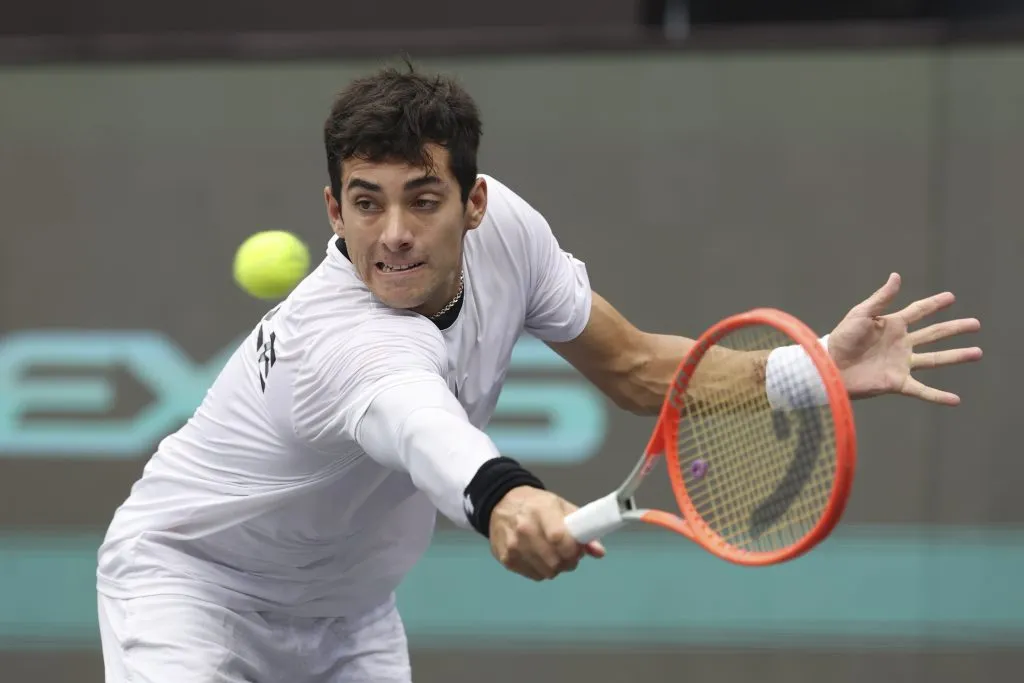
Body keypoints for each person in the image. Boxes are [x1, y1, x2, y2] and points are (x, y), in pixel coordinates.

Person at [95, 63, 982, 683]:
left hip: (346, 614)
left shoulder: (511, 234)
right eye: (366, 203)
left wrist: (813, 368)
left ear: (475, 203)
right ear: (334, 208)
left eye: (423, 199)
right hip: (193, 584)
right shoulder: (345, 339)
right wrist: (511, 501)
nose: (394, 232)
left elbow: (635, 368)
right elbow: (430, 433)